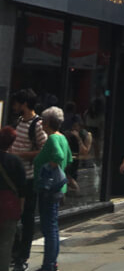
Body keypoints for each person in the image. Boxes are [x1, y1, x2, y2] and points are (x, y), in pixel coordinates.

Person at [9, 89, 47, 271]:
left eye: (17, 103)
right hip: (13, 178)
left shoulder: (37, 125)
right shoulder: (19, 122)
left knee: (27, 218)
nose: (14, 106)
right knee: (11, 215)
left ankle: (22, 256)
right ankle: (14, 252)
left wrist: (22, 155)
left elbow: (45, 150)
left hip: (28, 178)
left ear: (24, 104)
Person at [34, 106, 73, 271]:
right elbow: (70, 158)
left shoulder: (52, 139)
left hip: (49, 189)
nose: (41, 122)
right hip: (58, 188)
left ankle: (48, 264)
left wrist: (47, 169)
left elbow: (59, 156)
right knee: (53, 226)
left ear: (49, 122)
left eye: (43, 119)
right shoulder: (62, 138)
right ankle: (52, 262)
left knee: (48, 228)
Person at [0, 127, 26, 271]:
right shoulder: (15, 161)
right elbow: (22, 188)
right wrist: (20, 208)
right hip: (9, 206)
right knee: (5, 245)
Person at [64, 115, 92, 193]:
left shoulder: (86, 135)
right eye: (73, 126)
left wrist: (78, 139)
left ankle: (76, 190)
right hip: (71, 159)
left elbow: (85, 152)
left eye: (76, 126)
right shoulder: (68, 134)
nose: (74, 128)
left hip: (81, 161)